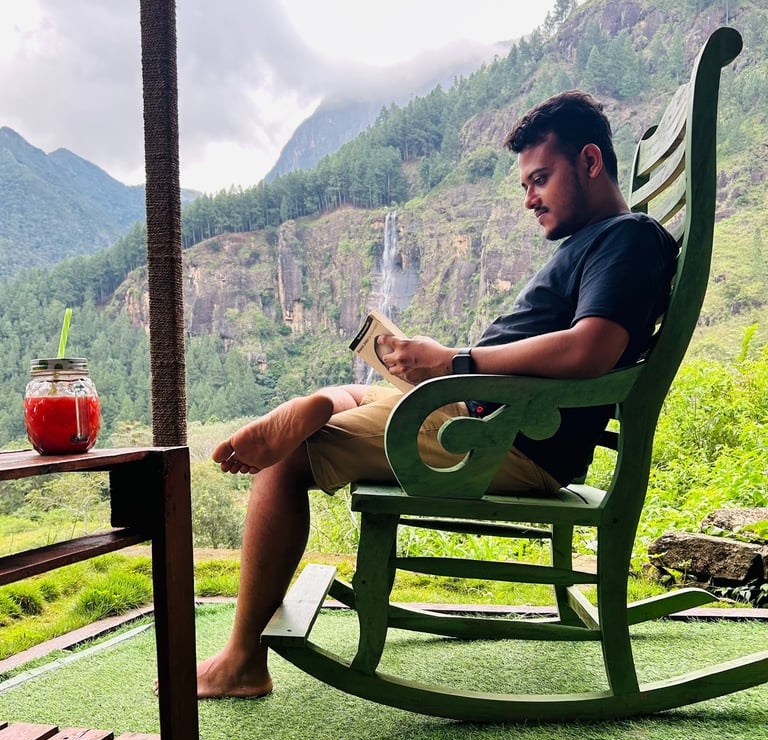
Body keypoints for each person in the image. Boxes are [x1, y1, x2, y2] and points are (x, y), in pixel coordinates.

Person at [195, 90, 679, 699]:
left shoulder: (628, 238)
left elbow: (592, 349)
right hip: (483, 414)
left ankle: (243, 662)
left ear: (589, 161)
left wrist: (453, 361)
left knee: (286, 457)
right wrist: (441, 368)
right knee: (347, 399)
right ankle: (323, 405)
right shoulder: (597, 242)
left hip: (505, 439)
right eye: (526, 185)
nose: (529, 198)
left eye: (539, 179)